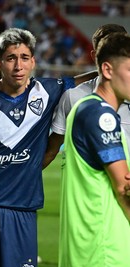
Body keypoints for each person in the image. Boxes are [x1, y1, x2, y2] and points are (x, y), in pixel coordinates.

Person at [0, 27, 95, 267]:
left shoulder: (49, 90)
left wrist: (108, 67)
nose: (18, 65)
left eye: (24, 57)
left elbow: (83, 82)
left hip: (22, 207)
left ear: (33, 61)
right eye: (11, 58)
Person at [58, 32, 130, 267]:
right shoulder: (100, 115)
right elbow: (124, 187)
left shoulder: (96, 112)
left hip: (96, 257)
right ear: (107, 69)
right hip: (105, 255)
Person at [43, 23, 129, 168]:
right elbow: (51, 151)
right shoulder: (74, 97)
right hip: (100, 187)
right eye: (107, 52)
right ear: (95, 56)